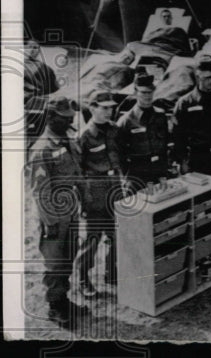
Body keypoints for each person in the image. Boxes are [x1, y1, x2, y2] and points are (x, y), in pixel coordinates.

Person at [28, 96, 88, 327]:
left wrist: (84, 198)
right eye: (65, 119)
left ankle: (64, 300)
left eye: (71, 118)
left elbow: (76, 172)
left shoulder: (67, 140)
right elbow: (40, 192)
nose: (70, 122)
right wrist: (51, 222)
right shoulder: (41, 149)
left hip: (70, 211)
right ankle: (55, 308)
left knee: (68, 257)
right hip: (53, 218)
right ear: (51, 117)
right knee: (55, 264)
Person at [77, 90, 124, 295]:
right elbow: (78, 172)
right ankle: (82, 279)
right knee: (93, 237)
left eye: (111, 108)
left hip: (115, 186)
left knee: (116, 233)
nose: (109, 111)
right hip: (94, 191)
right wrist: (84, 200)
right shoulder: (84, 136)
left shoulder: (114, 129)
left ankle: (111, 273)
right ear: (92, 108)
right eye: (104, 108)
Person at [116, 73, 175, 190]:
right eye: (143, 92)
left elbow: (166, 143)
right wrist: (126, 178)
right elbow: (119, 154)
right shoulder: (126, 121)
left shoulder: (161, 115)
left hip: (160, 172)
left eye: (150, 92)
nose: (148, 96)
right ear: (135, 92)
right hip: (139, 174)